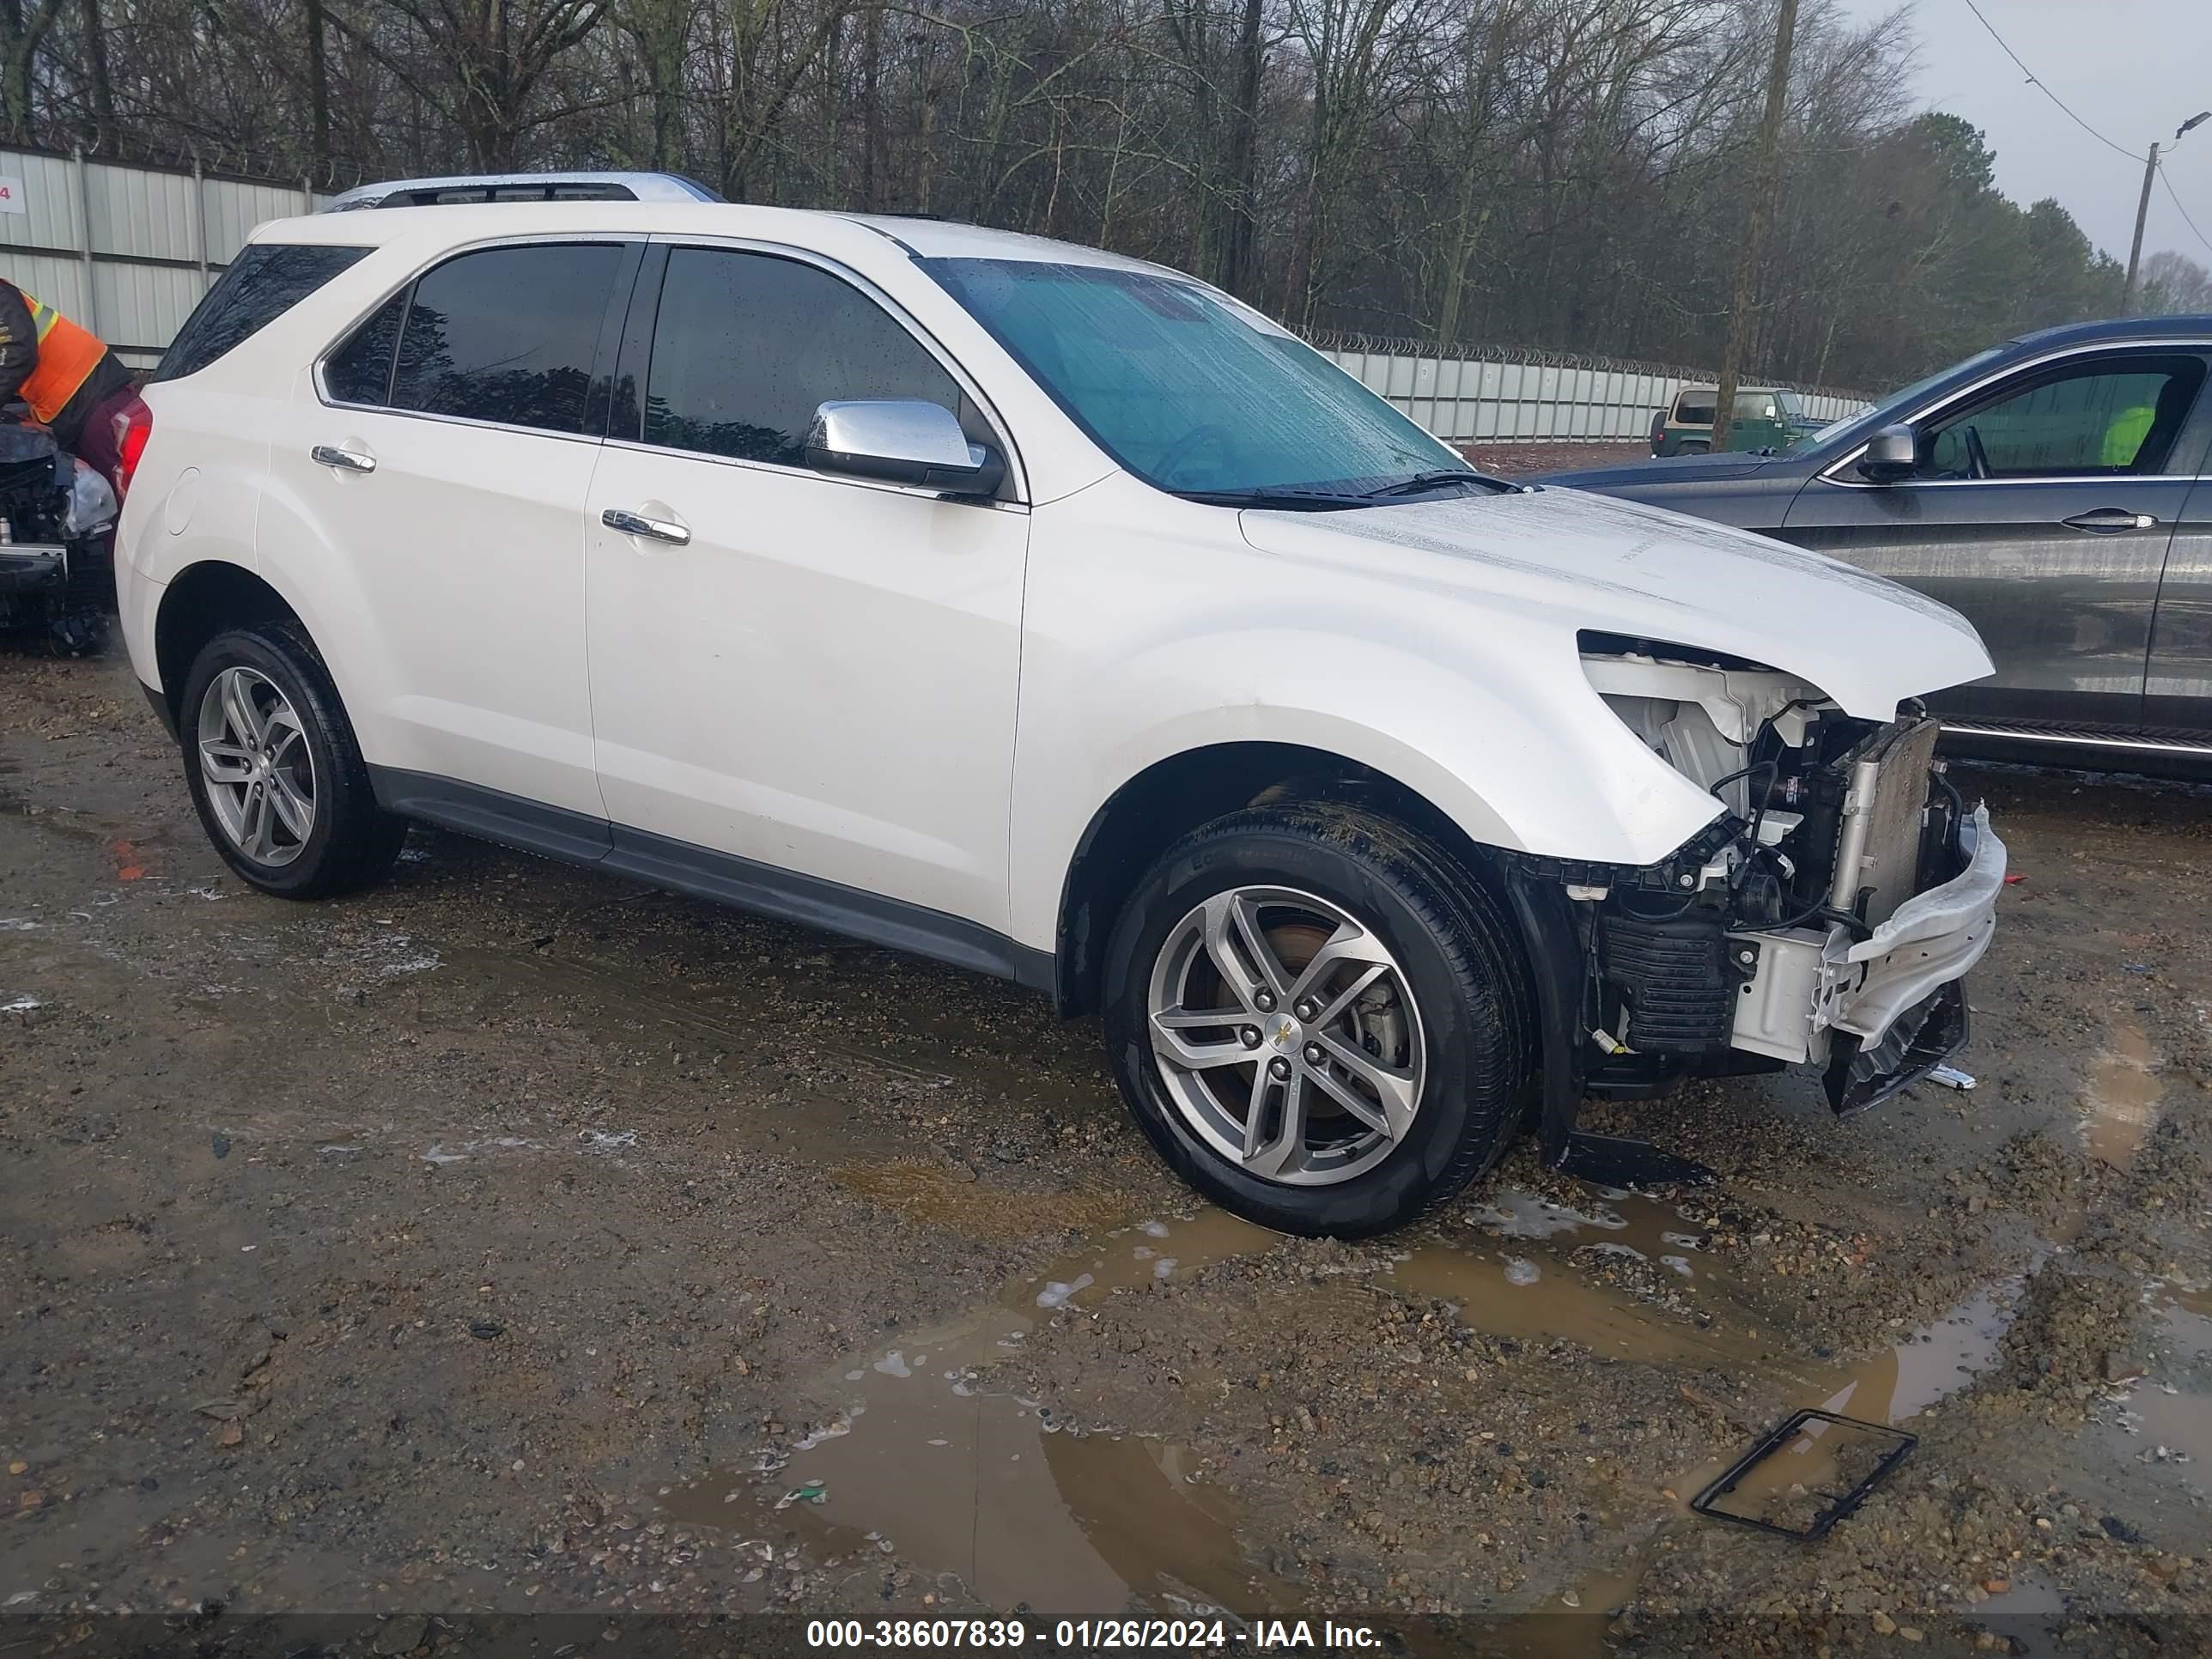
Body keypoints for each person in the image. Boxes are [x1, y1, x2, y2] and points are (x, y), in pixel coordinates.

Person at [0, 279, 137, 483]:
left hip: (91, 391)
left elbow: (18, 351)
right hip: (64, 405)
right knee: (78, 496)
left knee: (127, 489)